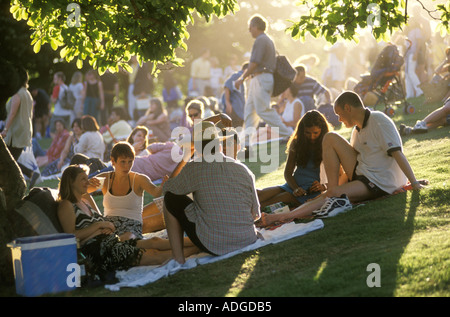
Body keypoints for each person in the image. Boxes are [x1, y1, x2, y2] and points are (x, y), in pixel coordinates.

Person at [260, 91, 426, 226]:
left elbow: (397, 153)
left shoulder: (379, 120)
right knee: (330, 140)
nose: (338, 119)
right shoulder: (356, 131)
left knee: (330, 188)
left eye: (339, 114)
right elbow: (353, 164)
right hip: (361, 174)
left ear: (348, 108)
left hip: (378, 182)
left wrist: (415, 182)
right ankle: (331, 194)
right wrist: (330, 190)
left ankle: (285, 215)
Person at [57, 164, 199, 278]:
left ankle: (201, 239)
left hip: (112, 240)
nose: (87, 182)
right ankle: (201, 247)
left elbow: (108, 224)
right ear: (71, 182)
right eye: (83, 179)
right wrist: (100, 226)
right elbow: (71, 236)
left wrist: (106, 226)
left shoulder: (85, 200)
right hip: (100, 252)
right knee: (155, 255)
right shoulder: (66, 205)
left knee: (155, 241)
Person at [162, 121, 261, 264]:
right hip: (248, 238)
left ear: (196, 148)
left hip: (215, 244)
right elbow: (255, 215)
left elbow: (167, 190)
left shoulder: (194, 169)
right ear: (219, 145)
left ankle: (178, 258)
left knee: (170, 199)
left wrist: (186, 156)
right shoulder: (243, 169)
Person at [234, 14, 293, 150]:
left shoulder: (261, 39)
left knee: (263, 110)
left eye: (250, 28)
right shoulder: (266, 39)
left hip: (262, 78)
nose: (249, 31)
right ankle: (246, 144)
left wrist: (241, 78)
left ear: (256, 26)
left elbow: (255, 62)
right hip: (259, 78)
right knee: (250, 111)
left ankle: (289, 134)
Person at [91, 142, 167, 240]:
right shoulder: (105, 178)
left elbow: (156, 193)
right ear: (113, 161)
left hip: (132, 226)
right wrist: (89, 183)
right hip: (109, 225)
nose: (127, 166)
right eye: (123, 162)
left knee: (125, 239)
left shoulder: (139, 179)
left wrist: (162, 185)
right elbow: (82, 191)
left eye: (130, 161)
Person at [258, 110, 331, 209]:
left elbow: (339, 175)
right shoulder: (297, 143)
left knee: (269, 202)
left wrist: (323, 187)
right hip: (293, 185)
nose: (312, 136)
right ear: (302, 131)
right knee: (259, 194)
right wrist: (295, 188)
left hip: (310, 191)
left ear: (322, 130)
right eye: (307, 133)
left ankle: (244, 213)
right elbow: (288, 172)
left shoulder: (328, 144)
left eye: (315, 133)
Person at [1, 66, 36, 185]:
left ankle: (16, 182)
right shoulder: (27, 93)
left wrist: (5, 129)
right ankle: (31, 174)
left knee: (8, 161)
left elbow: (12, 113)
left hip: (16, 132)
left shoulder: (17, 94)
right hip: (24, 131)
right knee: (10, 159)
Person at [222, 62, 248, 127]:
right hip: (235, 110)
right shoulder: (238, 75)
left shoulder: (243, 79)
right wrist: (227, 103)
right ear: (246, 70)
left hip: (239, 111)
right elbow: (227, 86)